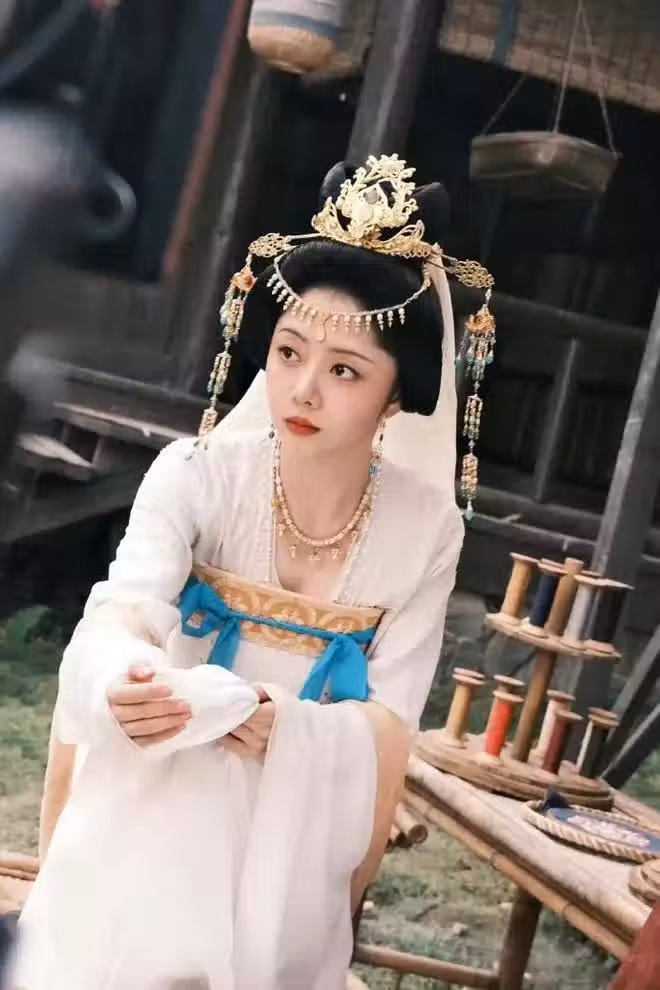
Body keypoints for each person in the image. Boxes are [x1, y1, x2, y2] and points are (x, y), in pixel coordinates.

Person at [11, 154, 495, 990]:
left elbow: (390, 720)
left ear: (396, 397)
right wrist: (127, 678)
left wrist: (292, 733)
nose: (302, 390)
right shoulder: (196, 474)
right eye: (288, 352)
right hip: (158, 787)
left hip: (293, 828)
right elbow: (122, 611)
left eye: (344, 371)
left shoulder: (426, 530)